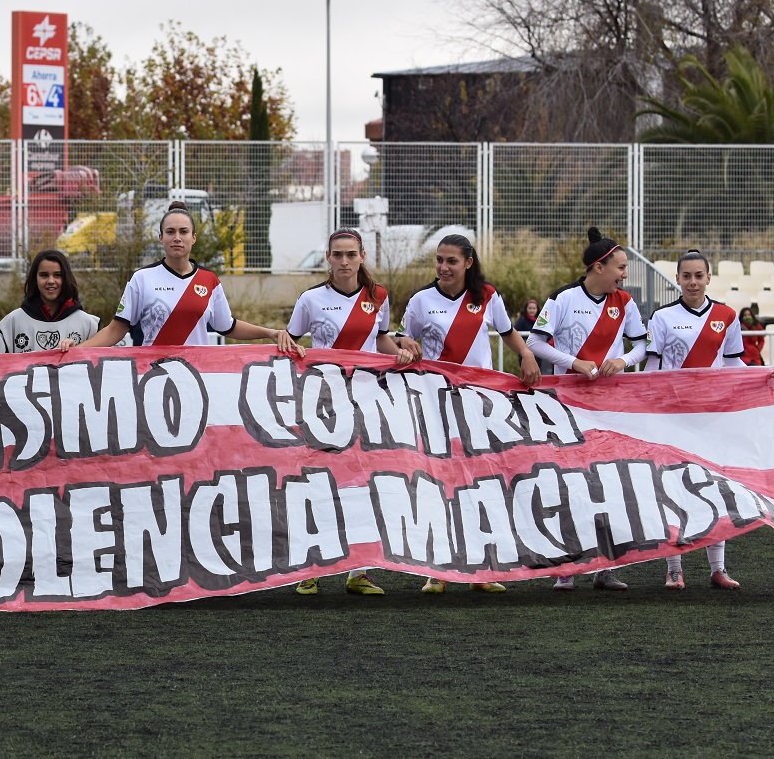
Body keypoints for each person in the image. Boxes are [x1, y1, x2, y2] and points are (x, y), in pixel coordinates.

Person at [403, 232, 542, 595]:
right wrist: (406, 343)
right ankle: (439, 570)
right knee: (441, 483)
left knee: (481, 482)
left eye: (451, 261)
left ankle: (484, 568)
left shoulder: (488, 296)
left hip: (479, 403)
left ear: (468, 263)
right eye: (439, 260)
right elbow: (403, 340)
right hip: (434, 402)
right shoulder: (420, 301)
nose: (443, 267)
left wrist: (526, 354)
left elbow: (509, 333)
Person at [285, 227, 419, 597]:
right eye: (337, 255)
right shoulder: (310, 299)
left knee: (362, 484)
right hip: (322, 402)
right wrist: (285, 343)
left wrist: (400, 354)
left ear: (361, 257)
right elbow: (290, 343)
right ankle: (309, 568)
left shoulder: (378, 296)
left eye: (351, 254)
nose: (344, 261)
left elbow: (381, 339)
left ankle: (358, 571)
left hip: (365, 400)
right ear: (328, 258)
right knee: (319, 483)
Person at [526, 226, 648, 591]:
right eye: (621, 267)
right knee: (569, 484)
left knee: (610, 481)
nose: (624, 275)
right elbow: (535, 342)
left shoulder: (624, 302)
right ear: (599, 266)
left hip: (609, 404)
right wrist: (575, 362)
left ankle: (606, 568)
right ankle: (567, 568)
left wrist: (624, 361)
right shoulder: (562, 298)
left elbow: (641, 346)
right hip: (567, 403)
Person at [645, 250, 773, 590]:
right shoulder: (662, 317)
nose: (692, 282)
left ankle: (718, 569)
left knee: (716, 487)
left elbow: (732, 363)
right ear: (678, 278)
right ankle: (674, 570)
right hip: (671, 416)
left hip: (712, 416)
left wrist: (760, 378)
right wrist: (644, 405)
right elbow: (651, 369)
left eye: (698, 275)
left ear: (709, 277)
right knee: (671, 489)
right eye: (686, 276)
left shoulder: (726, 315)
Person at [61, 201, 300, 354]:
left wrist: (270, 332)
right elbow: (116, 330)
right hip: (151, 377)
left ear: (193, 237)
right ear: (160, 238)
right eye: (170, 232)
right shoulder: (142, 279)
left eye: (183, 232)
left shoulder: (209, 281)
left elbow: (228, 326)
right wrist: (77, 350)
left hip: (197, 377)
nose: (177, 237)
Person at [0, 249, 99, 352]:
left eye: (57, 275)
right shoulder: (12, 323)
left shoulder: (88, 324)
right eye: (44, 275)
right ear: (35, 279)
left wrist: (75, 353)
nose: (51, 281)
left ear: (66, 278)